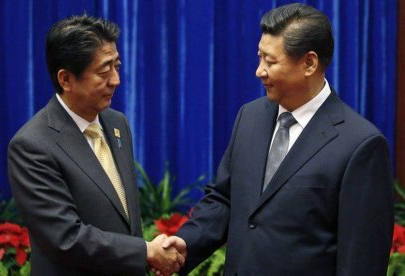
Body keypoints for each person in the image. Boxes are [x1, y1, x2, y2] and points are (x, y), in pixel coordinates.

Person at [163, 3, 394, 275]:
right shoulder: (249, 117)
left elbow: (361, 259)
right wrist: (186, 243)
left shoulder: (360, 144)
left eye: (270, 61)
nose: (259, 71)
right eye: (259, 57)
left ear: (309, 63)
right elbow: (226, 198)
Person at [7, 14, 183, 276]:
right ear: (66, 79)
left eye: (117, 66)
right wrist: (145, 251)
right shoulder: (32, 145)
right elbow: (66, 237)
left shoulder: (116, 123)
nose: (116, 80)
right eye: (104, 71)